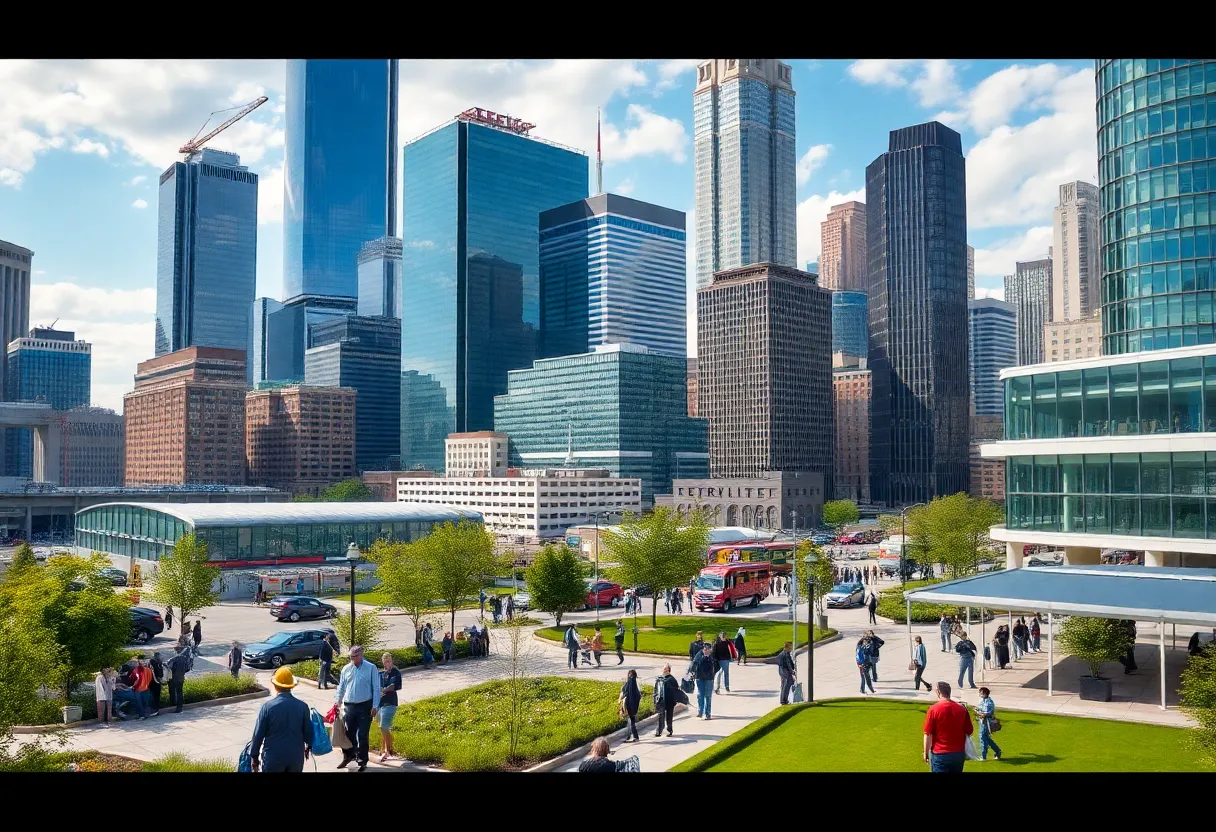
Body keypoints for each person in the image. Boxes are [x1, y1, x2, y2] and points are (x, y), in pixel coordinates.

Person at [249, 666, 312, 773]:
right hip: (295, 757)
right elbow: (308, 733)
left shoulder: (267, 707)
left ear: (275, 686)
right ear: (292, 686)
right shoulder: (303, 707)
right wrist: (309, 746)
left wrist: (254, 756)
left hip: (273, 758)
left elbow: (258, 734)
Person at [333, 646, 381, 771]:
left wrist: (375, 706)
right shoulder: (346, 669)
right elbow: (341, 687)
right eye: (351, 657)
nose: (353, 659)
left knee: (362, 734)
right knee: (348, 733)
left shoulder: (371, 668)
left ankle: (362, 760)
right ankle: (349, 756)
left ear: (361, 655)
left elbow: (376, 688)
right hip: (349, 705)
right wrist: (337, 702)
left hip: (365, 705)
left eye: (355, 656)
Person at [923, 681, 973, 773]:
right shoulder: (962, 709)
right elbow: (969, 731)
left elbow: (928, 734)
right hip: (958, 754)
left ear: (938, 692)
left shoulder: (933, 709)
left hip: (940, 754)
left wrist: (925, 752)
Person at [377, 652, 402, 763]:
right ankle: (383, 748)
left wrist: (384, 690)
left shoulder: (395, 672)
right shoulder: (380, 674)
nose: (388, 663)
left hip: (390, 703)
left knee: (383, 726)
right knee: (382, 727)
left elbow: (393, 686)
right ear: (383, 662)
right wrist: (378, 691)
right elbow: (376, 686)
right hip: (380, 704)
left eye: (389, 661)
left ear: (392, 661)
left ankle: (388, 751)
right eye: (386, 661)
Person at [975, 687, 1002, 761]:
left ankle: (983, 756)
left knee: (983, 738)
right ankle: (997, 751)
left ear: (984, 693)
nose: (979, 694)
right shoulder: (984, 701)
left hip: (986, 723)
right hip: (983, 722)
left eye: (980, 692)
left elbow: (986, 713)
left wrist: (980, 713)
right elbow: (980, 709)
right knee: (986, 738)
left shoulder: (988, 702)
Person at [653, 664, 679, 738]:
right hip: (661, 700)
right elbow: (655, 690)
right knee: (660, 716)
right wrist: (655, 699)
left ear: (669, 670)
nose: (664, 670)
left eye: (666, 669)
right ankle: (659, 731)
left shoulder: (672, 679)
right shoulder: (659, 679)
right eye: (664, 669)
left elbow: (675, 690)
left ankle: (669, 730)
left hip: (669, 701)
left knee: (669, 716)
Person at [691, 644, 716, 719]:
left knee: (708, 696)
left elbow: (715, 666)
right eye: (704, 649)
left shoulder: (712, 657)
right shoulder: (699, 655)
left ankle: (707, 713)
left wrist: (708, 658)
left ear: (710, 650)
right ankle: (700, 711)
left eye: (707, 649)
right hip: (700, 678)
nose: (705, 651)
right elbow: (694, 664)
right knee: (700, 695)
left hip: (709, 679)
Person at [619, 669, 642, 742]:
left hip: (630, 706)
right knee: (631, 721)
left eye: (631, 675)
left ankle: (633, 737)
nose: (630, 676)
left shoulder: (630, 683)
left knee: (631, 722)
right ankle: (633, 736)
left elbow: (628, 693)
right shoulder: (633, 683)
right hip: (632, 706)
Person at [166, 647, 189, 713]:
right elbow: (187, 669)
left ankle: (173, 705)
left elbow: (168, 667)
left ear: (176, 652)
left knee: (172, 692)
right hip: (181, 678)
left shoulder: (173, 659)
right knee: (180, 692)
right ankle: (180, 706)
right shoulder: (185, 659)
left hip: (173, 678)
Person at [147, 651, 165, 715]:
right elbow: (158, 673)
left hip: (154, 682)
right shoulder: (154, 663)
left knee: (154, 696)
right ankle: (155, 709)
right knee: (155, 696)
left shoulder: (157, 663)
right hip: (154, 682)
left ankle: (155, 709)